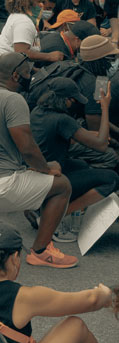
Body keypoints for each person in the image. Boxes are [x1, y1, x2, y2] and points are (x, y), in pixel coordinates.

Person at [0, 53, 78, 268]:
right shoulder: (13, 99)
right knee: (62, 185)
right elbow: (27, 147)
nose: (30, 77)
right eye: (28, 73)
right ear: (15, 75)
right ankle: (40, 251)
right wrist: (47, 168)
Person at [31, 78, 119, 238]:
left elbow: (67, 136)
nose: (75, 103)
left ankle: (45, 207)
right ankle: (53, 217)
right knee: (112, 179)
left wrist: (88, 134)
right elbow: (101, 145)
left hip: (37, 175)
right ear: (65, 100)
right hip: (50, 181)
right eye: (73, 100)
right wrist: (104, 108)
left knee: (81, 166)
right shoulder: (62, 120)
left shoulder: (38, 112)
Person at [0, 0, 64, 80]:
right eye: (40, 2)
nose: (41, 6)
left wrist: (34, 70)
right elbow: (21, 52)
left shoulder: (21, 18)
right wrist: (50, 56)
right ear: (28, 1)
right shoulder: (23, 22)